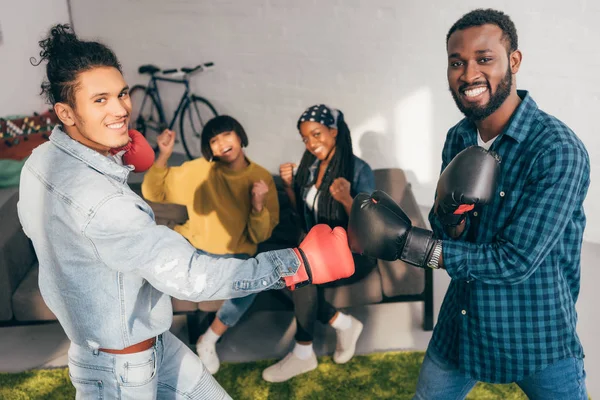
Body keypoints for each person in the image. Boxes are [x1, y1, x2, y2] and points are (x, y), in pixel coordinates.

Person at [19, 24, 355, 399]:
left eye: (122, 93)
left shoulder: (38, 163)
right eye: (100, 100)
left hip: (149, 346)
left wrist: (112, 157)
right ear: (66, 112)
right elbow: (191, 277)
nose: (121, 109)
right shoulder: (108, 204)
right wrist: (297, 264)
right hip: (120, 371)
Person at [348, 9, 589, 399]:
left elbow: (516, 260)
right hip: (463, 321)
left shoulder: (557, 150)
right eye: (456, 62)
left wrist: (415, 246)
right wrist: (450, 218)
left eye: (484, 58)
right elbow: (447, 230)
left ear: (514, 61)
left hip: (536, 327)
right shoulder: (459, 136)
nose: (468, 73)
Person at [141, 115, 279, 375]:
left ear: (239, 136)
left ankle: (209, 339)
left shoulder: (261, 178)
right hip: (198, 251)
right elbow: (153, 192)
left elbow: (260, 236)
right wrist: (164, 154)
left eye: (227, 135)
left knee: (255, 280)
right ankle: (147, 347)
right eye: (213, 141)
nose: (222, 144)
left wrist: (258, 205)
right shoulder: (199, 170)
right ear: (209, 148)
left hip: (238, 257)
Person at [262, 104, 377, 383]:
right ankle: (344, 323)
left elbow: (372, 229)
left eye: (317, 134)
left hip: (354, 253)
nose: (312, 144)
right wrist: (290, 186)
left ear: (334, 132)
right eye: (305, 138)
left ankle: (303, 352)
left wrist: (348, 200)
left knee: (302, 274)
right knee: (269, 267)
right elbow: (302, 213)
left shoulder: (359, 170)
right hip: (318, 248)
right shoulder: (311, 166)